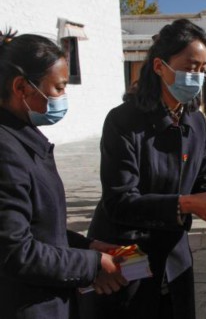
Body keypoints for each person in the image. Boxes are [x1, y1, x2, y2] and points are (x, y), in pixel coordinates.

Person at [81, 19, 206, 319]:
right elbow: (119, 201)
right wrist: (186, 204)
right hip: (127, 254)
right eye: (190, 67)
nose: (197, 77)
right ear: (160, 66)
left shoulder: (195, 121)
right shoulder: (124, 121)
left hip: (174, 257)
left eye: (202, 70)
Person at [0, 31, 125, 319]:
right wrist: (91, 264)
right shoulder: (7, 152)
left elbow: (37, 227)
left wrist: (85, 246)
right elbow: (15, 252)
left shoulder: (24, 138)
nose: (63, 97)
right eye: (58, 88)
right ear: (21, 87)